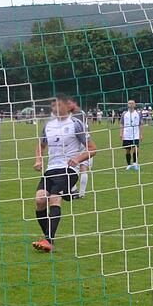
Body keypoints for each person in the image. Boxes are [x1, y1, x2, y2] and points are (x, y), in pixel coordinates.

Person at [32, 95, 97, 253]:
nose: (56, 108)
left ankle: (48, 240)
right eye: (53, 105)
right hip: (50, 169)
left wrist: (78, 158)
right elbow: (41, 145)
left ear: (68, 107)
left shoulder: (76, 124)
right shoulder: (48, 125)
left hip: (68, 169)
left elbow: (92, 148)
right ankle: (48, 237)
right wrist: (38, 160)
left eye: (59, 105)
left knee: (54, 198)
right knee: (40, 200)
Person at [67, 97, 92, 199]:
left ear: (74, 103)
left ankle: (76, 192)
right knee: (80, 167)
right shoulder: (79, 113)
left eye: (69, 104)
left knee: (75, 166)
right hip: (84, 140)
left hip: (80, 142)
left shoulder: (78, 114)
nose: (67, 106)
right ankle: (78, 192)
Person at [121, 99, 142, 171]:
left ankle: (135, 163)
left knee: (136, 148)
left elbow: (140, 125)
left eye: (132, 103)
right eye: (129, 103)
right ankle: (128, 164)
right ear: (127, 105)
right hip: (127, 134)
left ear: (135, 105)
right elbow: (122, 124)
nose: (131, 104)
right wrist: (121, 133)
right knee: (127, 150)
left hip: (135, 134)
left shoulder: (138, 113)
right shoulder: (124, 114)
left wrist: (141, 134)